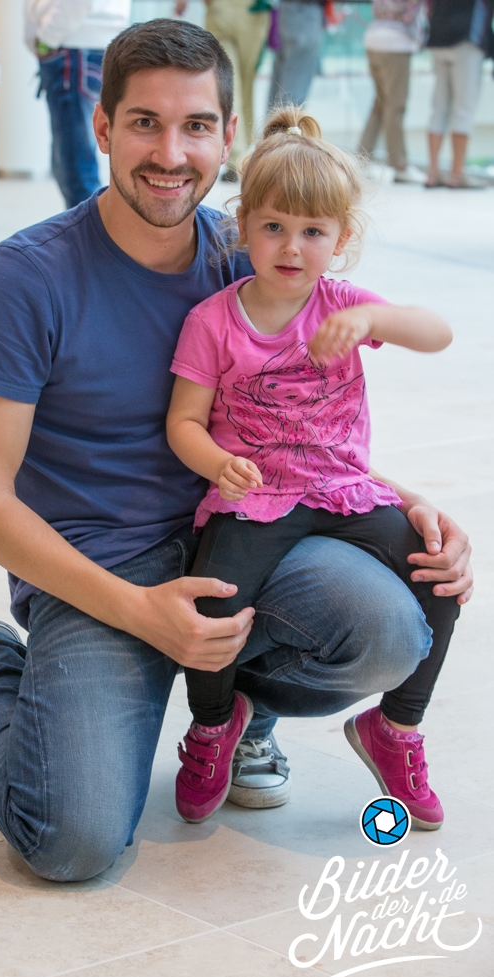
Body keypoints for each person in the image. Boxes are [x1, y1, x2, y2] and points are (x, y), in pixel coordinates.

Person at [0, 19, 472, 883]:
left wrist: (407, 502)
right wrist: (140, 611)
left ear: (228, 135)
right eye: (143, 123)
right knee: (70, 843)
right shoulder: (24, 279)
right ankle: (0, 672)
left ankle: (240, 711)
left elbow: (291, 426)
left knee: (389, 627)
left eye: (194, 126)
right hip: (103, 568)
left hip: (245, 532)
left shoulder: (252, 254)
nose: (170, 153)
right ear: (101, 127)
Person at [166, 106, 457, 827]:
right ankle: (214, 726)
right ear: (243, 226)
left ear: (340, 239)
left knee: (437, 576)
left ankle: (396, 728)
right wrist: (218, 462)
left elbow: (438, 333)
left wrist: (375, 320)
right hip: (256, 498)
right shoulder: (213, 320)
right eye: (273, 226)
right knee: (213, 602)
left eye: (313, 232)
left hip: (342, 489)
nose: (291, 247)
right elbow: (182, 423)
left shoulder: (343, 304)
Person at [25, 0, 131, 208]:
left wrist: (47, 39)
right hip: (77, 44)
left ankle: (92, 229)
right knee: (72, 162)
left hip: (74, 45)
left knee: (76, 166)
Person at [175, 0, 270, 183]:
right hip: (250, 12)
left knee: (230, 79)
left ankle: (238, 152)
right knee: (243, 81)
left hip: (222, 10)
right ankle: (240, 153)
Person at [425, 0, 494, 188]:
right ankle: (457, 173)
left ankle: (432, 171)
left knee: (438, 107)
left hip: (438, 38)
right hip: (467, 40)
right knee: (464, 108)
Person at [359, 0, 426, 184]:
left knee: (380, 104)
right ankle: (399, 165)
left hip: (373, 39)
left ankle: (361, 161)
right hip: (396, 42)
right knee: (395, 106)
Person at [269, 0, 326, 108]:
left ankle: (275, 119)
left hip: (286, 11)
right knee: (293, 92)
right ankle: (287, 119)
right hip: (304, 13)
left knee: (281, 85)